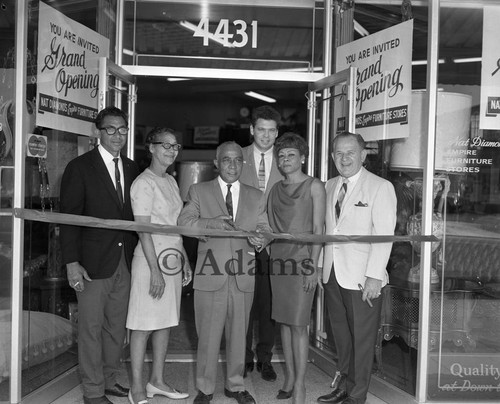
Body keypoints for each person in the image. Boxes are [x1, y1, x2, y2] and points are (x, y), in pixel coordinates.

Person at [178, 141, 270, 404]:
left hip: (244, 274)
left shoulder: (256, 195)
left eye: (237, 160)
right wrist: (210, 224)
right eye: (226, 160)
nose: (232, 164)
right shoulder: (199, 190)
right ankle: (205, 389)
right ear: (216, 163)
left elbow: (265, 229)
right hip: (210, 274)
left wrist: (261, 240)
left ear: (244, 163)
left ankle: (235, 385)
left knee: (240, 335)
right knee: (207, 335)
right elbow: (183, 224)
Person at [60, 107, 140, 404]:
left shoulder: (133, 168)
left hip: (125, 261)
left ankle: (108, 379)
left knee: (116, 329)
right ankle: (93, 392)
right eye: (110, 129)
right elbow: (69, 219)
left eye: (122, 129)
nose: (117, 135)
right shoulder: (79, 167)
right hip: (91, 264)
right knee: (91, 329)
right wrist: (71, 263)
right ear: (98, 132)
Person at [317, 132, 397, 404]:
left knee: (362, 341)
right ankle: (343, 386)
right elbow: (327, 231)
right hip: (333, 274)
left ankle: (357, 395)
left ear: (363, 155)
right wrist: (319, 267)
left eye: (351, 152)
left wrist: (375, 277)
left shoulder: (380, 187)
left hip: (363, 278)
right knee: (342, 337)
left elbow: (384, 235)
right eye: (338, 153)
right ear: (332, 157)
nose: (344, 158)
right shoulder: (328, 186)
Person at [126, 128, 192, 404]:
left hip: (173, 258)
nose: (171, 150)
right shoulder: (143, 183)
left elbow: (176, 227)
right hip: (150, 260)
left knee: (165, 322)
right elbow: (144, 230)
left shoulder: (171, 182)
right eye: (164, 145)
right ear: (150, 148)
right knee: (142, 325)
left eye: (175, 146)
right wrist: (155, 270)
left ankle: (157, 381)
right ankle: (137, 387)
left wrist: (185, 258)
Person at [266, 132, 326, 404]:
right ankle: (289, 376)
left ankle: (300, 385)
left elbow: (318, 229)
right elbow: (268, 225)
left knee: (299, 323)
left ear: (302, 158)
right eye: (281, 155)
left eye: (291, 155)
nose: (285, 159)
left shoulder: (315, 186)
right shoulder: (275, 188)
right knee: (284, 321)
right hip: (278, 259)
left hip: (303, 260)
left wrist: (313, 265)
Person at [239, 105, 284, 382]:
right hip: (241, 241)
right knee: (242, 301)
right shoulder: (236, 156)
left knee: (270, 305)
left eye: (271, 131)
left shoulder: (285, 158)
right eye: (261, 130)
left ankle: (265, 358)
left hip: (274, 244)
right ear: (252, 129)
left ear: (277, 133)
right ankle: (242, 357)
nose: (266, 136)